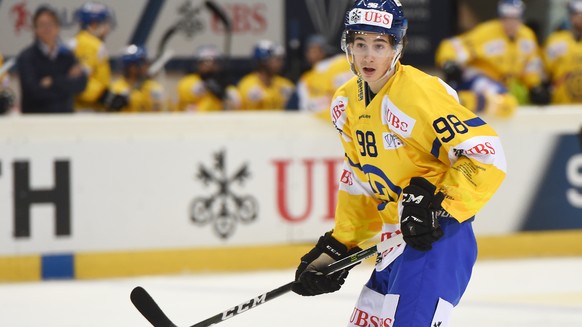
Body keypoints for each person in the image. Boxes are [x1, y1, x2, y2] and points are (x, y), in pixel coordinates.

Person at [291, 1, 507, 326]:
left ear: (398, 46)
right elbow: (360, 178)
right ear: (347, 46)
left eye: (380, 45)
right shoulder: (345, 102)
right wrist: (340, 244)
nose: (368, 56)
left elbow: (485, 152)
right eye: (360, 44)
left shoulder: (419, 94)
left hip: (435, 240)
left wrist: (439, 205)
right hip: (392, 242)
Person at [435, 0, 548, 116]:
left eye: (514, 18)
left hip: (504, 83)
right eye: (506, 18)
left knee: (510, 102)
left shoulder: (527, 36)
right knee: (504, 100)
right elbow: (453, 45)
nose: (510, 23)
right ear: (500, 18)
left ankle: (460, 101)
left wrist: (534, 86)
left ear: (521, 19)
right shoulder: (487, 32)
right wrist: (448, 61)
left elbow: (530, 66)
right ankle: (457, 101)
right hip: (477, 76)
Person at [17, 4, 87, 114]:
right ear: (35, 29)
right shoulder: (27, 57)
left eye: (50, 24)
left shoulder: (67, 55)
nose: (47, 29)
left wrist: (52, 82)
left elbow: (80, 85)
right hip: (36, 119)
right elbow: (33, 91)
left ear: (58, 27)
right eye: (42, 25)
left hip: (65, 117)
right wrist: (65, 82)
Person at [69, 1, 126, 111]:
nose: (107, 29)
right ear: (93, 24)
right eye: (105, 23)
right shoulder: (89, 44)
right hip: (85, 109)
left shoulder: (82, 42)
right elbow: (80, 82)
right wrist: (103, 96)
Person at [295, 34, 352, 118]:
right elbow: (304, 106)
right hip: (319, 122)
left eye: (315, 50)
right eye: (310, 51)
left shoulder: (343, 63)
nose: (311, 54)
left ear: (324, 51)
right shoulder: (306, 78)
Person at [176, 44, 240, 112]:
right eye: (205, 62)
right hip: (193, 120)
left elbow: (236, 103)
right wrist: (207, 85)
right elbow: (190, 90)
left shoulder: (226, 84)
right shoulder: (189, 81)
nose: (210, 65)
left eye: (214, 62)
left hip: (217, 120)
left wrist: (225, 94)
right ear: (198, 64)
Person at [542, 0, 582, 104]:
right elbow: (544, 73)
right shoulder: (556, 41)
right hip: (561, 105)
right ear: (570, 16)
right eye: (577, 14)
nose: (580, 18)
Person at [237, 40, 294, 110]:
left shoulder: (286, 85)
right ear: (263, 61)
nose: (281, 63)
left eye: (281, 59)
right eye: (277, 59)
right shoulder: (247, 85)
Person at [110, 45, 165, 112]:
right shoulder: (115, 89)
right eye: (144, 63)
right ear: (132, 68)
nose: (146, 66)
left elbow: (158, 112)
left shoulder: (154, 87)